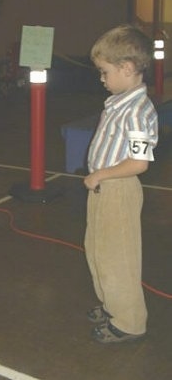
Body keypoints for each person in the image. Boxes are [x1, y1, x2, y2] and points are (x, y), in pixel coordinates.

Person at [84, 25, 158, 343]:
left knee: (119, 256)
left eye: (105, 72)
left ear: (126, 69)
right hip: (103, 189)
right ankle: (111, 303)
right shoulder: (119, 102)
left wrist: (101, 174)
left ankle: (129, 320)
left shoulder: (139, 112)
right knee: (97, 250)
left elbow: (139, 163)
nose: (102, 79)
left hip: (118, 190)